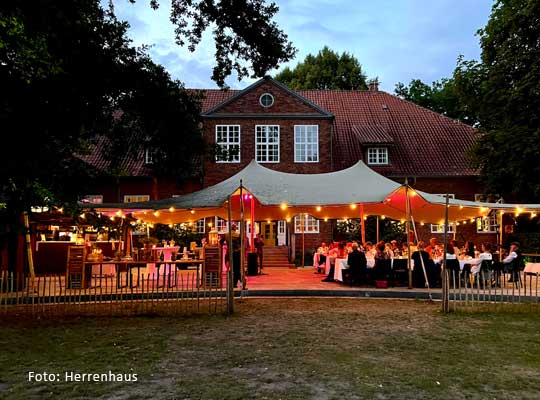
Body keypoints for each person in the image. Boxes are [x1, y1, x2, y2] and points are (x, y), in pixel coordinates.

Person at [229, 224, 242, 288]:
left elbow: (220, 242)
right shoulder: (238, 235)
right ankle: (240, 280)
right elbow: (241, 244)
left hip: (230, 253)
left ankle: (235, 282)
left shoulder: (226, 235)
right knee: (237, 269)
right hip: (237, 253)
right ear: (235, 228)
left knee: (233, 269)